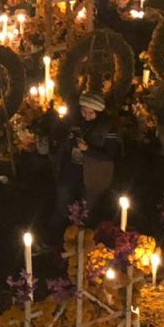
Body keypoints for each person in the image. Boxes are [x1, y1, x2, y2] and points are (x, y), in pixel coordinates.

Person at [48, 93, 117, 242]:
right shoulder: (76, 122)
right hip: (71, 169)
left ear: (98, 112)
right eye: (83, 111)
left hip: (92, 173)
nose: (86, 115)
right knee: (62, 201)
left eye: (90, 112)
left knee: (87, 208)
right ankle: (56, 237)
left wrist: (87, 149)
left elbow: (109, 154)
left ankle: (86, 240)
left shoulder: (107, 127)